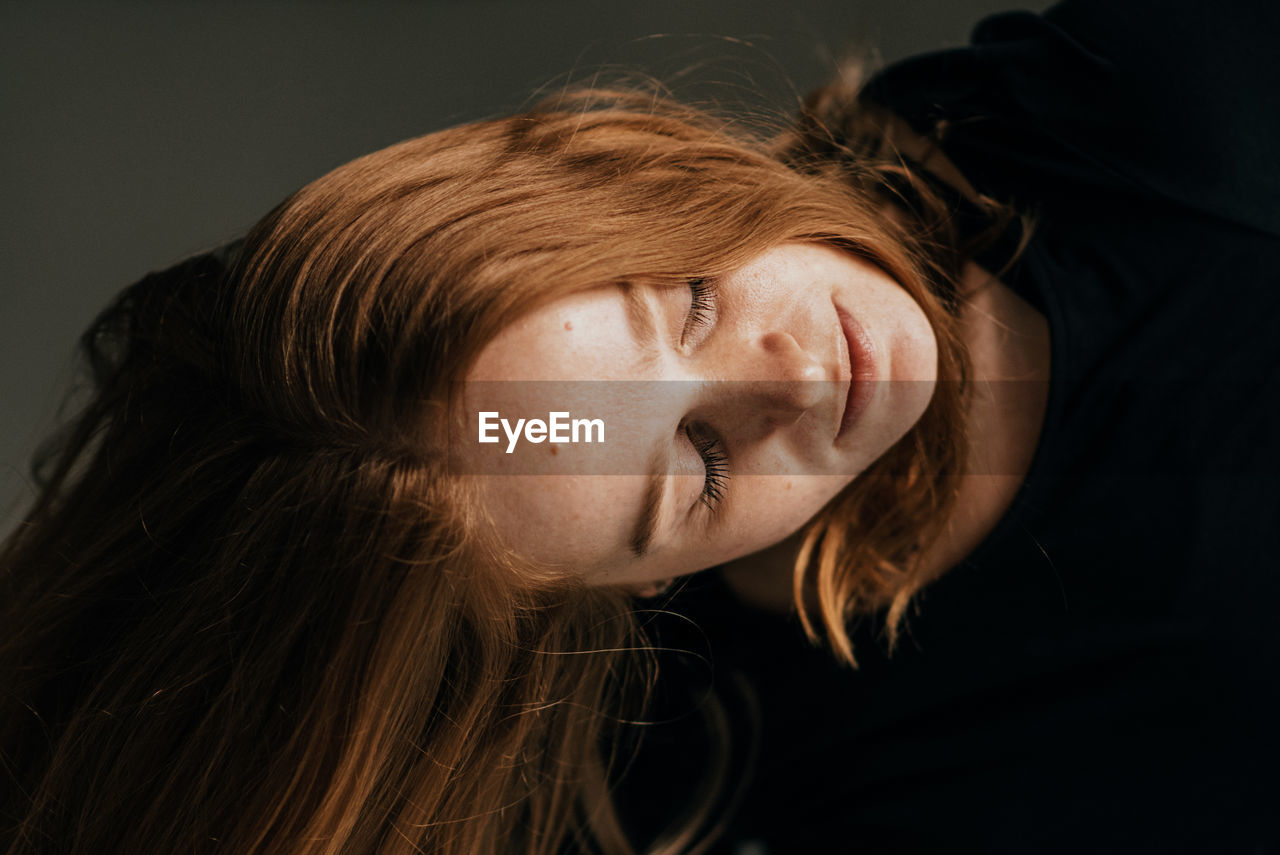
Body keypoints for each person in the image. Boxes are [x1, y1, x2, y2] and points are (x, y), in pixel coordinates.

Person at [0, 0, 1274, 853]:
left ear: (630, 171)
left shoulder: (1157, 108)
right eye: (702, 469)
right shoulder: (736, 783)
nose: (794, 388)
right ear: (639, 583)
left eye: (691, 301)